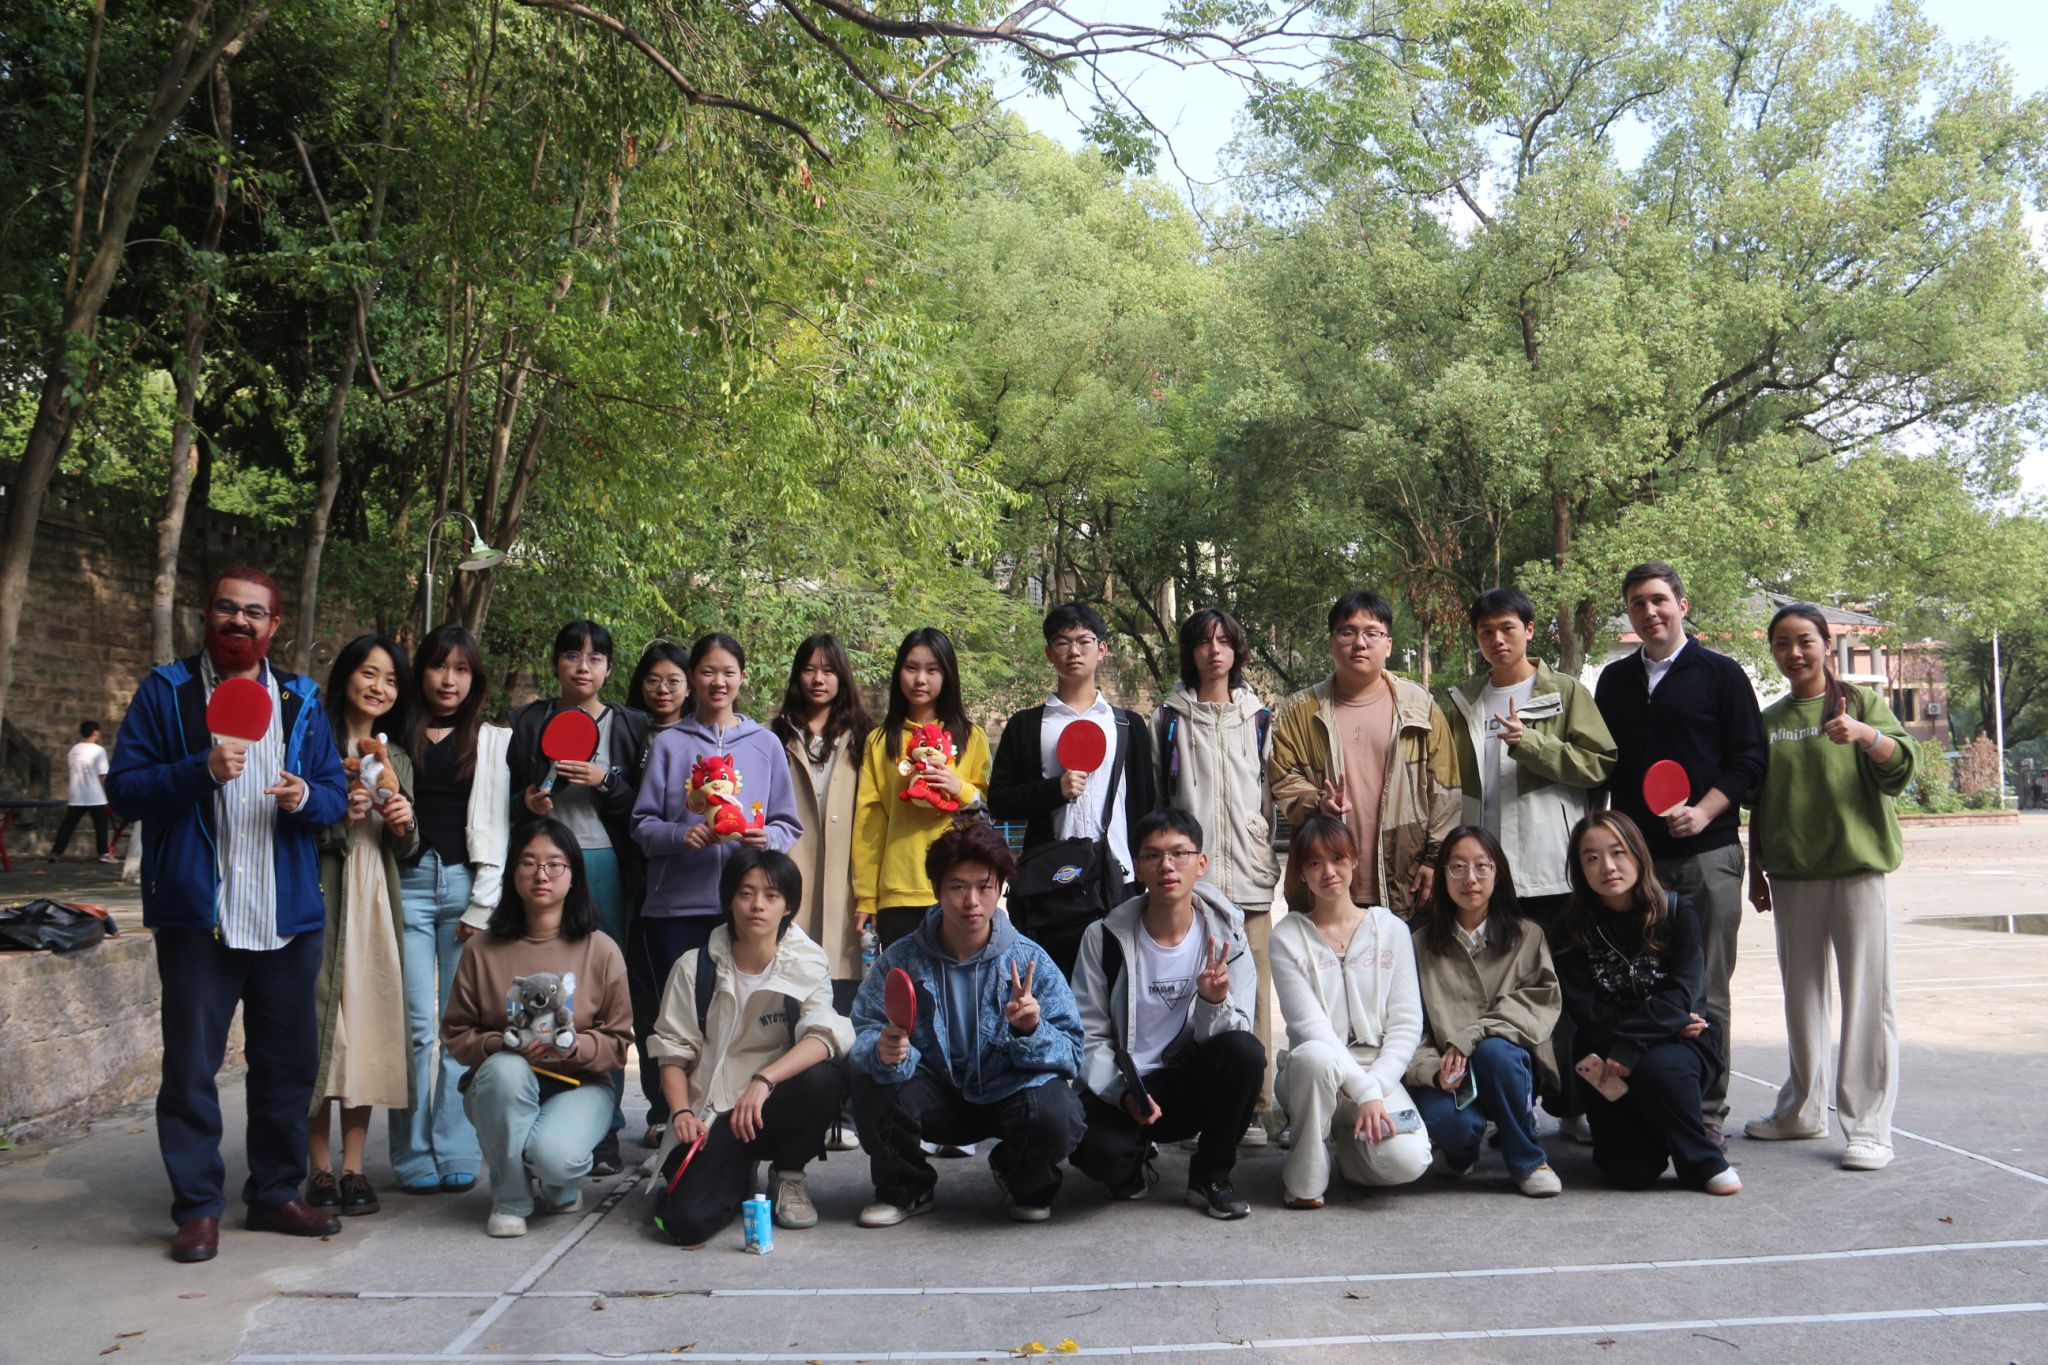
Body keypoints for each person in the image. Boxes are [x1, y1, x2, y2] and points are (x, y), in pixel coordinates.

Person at [105, 567, 351, 1263]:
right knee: (190, 1069)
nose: (239, 621)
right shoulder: (166, 692)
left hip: (286, 918)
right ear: (206, 615)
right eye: (227, 608)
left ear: (274, 626)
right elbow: (124, 790)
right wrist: (199, 770)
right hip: (198, 918)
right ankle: (196, 1209)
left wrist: (307, 797)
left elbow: (334, 795)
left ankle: (273, 1193)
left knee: (287, 1068)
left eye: (254, 612)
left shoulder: (301, 698)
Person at [1593, 562, 1766, 1144]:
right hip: (1633, 866)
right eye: (1637, 603)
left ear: (1682, 606)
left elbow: (1749, 758)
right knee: (1636, 986)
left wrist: (1706, 811)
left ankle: (1707, 1114)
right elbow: (1604, 767)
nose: (1649, 612)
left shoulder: (1721, 674)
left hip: (1707, 857)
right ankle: (1643, 1105)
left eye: (1658, 600)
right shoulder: (1614, 681)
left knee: (1705, 988)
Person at [1438, 587, 1614, 1142]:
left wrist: (1533, 744)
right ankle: (1512, 1106)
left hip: (1551, 869)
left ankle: (1573, 1106)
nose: (1497, 639)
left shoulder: (1564, 692)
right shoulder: (1462, 700)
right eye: (1486, 631)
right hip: (1486, 879)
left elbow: (1601, 764)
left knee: (1564, 992)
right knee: (1495, 996)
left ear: (1530, 631)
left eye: (1507, 628)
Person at [1744, 602, 1915, 1171]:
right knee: (1802, 1000)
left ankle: (1868, 1128)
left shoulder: (1860, 704)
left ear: (1824, 644)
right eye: (1782, 643)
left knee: (1867, 1000)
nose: (1794, 653)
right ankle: (1801, 1111)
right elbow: (1760, 804)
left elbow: (1902, 767)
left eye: (1804, 641)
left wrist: (1866, 736)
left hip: (1856, 873)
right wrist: (1757, 871)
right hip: (1793, 878)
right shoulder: (1769, 721)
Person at [848, 819, 1086, 1227]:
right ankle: (905, 1188)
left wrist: (1032, 1030)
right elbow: (864, 1028)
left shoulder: (1030, 959)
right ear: (937, 889)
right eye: (958, 887)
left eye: (984, 887)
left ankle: (1022, 1179)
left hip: (1008, 1091)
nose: (971, 901)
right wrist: (881, 1048)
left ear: (1000, 889)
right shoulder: (901, 958)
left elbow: (1073, 1051)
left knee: (1057, 1111)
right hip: (933, 1093)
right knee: (871, 1079)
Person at [633, 633, 802, 1145]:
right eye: (707, 671)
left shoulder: (765, 745)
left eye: (728, 672)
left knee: (739, 1016)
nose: (718, 682)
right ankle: (668, 1114)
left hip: (747, 906)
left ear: (742, 678)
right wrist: (679, 835)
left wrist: (766, 837)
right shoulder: (669, 744)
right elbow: (642, 825)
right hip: (676, 905)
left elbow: (788, 824)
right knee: (676, 1016)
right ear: (693, 679)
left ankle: (732, 1119)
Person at [646, 847, 852, 1245]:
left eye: (771, 895)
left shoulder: (807, 960)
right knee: (686, 1223)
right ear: (728, 900)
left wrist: (763, 1080)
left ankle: (788, 1174)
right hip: (713, 1113)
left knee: (824, 1075)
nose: (758, 905)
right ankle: (737, 1173)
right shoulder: (694, 967)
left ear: (788, 906)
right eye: (745, 893)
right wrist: (682, 1111)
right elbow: (672, 1051)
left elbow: (825, 1035)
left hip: (775, 1101)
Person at [442, 818, 634, 1238]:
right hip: (500, 1088)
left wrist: (574, 1046)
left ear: (573, 875)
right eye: (528, 863)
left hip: (580, 1085)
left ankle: (557, 1178)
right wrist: (502, 1044)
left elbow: (619, 1042)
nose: (541, 874)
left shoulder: (601, 949)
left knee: (555, 1158)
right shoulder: (482, 949)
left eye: (554, 864)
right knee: (506, 1070)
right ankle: (510, 1201)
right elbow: (456, 1033)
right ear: (513, 873)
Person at [1070, 809, 1264, 1219]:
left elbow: (1238, 1033)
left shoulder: (1228, 937)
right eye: (1153, 855)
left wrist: (1213, 1002)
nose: (1167, 866)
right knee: (1096, 1153)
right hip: (1125, 1086)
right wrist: (1123, 1093)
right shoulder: (1104, 937)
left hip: (1186, 1085)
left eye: (1179, 853)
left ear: (1201, 863)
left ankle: (1211, 1174)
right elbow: (1087, 1035)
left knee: (1246, 1052)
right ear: (1138, 866)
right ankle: (1132, 1156)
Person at [509, 619, 650, 1174]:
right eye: (572, 655)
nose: (583, 666)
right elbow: (507, 799)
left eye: (595, 658)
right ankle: (546, 1117)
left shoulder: (632, 725)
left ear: (609, 669)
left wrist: (606, 781)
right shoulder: (528, 721)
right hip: (546, 867)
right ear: (556, 664)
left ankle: (605, 1125)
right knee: (545, 991)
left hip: (607, 866)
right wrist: (529, 805)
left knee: (604, 996)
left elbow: (646, 805)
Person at [1553, 811, 1739, 1195]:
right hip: (1604, 1052)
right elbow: (1585, 1009)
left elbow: (1683, 996)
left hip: (1677, 1045)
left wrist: (1634, 1042)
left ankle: (1702, 1160)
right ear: (1579, 869)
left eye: (1618, 852)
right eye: (1592, 858)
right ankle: (1658, 1128)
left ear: (1638, 854)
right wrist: (1653, 1028)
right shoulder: (1570, 927)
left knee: (1659, 1068)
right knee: (1630, 1173)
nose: (1607, 866)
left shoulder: (1677, 912)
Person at [1151, 607, 1281, 1146]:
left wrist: (1257, 840)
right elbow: (1158, 798)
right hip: (1190, 883)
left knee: (1254, 997)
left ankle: (1254, 1109)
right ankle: (1193, 1108)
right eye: (1204, 641)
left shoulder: (1260, 717)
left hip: (1249, 877)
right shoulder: (1168, 719)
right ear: (1191, 651)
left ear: (1237, 650)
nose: (1214, 651)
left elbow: (1270, 797)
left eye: (1225, 641)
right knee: (1190, 996)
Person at [307, 635, 420, 1218]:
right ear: (346, 675)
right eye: (369, 674)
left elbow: (409, 847)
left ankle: (353, 1167)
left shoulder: (395, 756)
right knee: (322, 1031)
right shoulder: (313, 741)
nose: (379, 687)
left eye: (391, 680)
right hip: (323, 896)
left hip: (375, 894)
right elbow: (289, 822)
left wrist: (402, 821)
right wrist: (335, 816)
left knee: (369, 1028)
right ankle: (318, 1167)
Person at [1269, 815, 1430, 1209]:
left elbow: (1407, 1023)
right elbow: (1312, 1028)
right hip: (1313, 1075)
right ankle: (1305, 1179)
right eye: (1314, 863)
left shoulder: (1390, 928)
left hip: (1377, 1072)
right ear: (1301, 872)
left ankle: (1351, 1153)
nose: (1329, 872)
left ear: (1354, 860)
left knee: (1408, 1162)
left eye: (1338, 859)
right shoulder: (1287, 937)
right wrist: (1364, 1091)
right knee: (1317, 1057)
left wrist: (1374, 1087)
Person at [988, 603, 1158, 974]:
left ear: (1102, 649)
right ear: (1049, 653)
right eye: (1062, 642)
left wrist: (1145, 863)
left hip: (1118, 882)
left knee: (1119, 988)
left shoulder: (1128, 726)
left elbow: (1145, 804)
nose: (1074, 651)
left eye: (1084, 641)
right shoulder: (1026, 726)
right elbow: (998, 801)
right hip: (1050, 886)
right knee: (1053, 989)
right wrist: (1054, 790)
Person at [1268, 590, 1459, 920]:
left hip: (1407, 879)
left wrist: (1435, 858)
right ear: (1331, 643)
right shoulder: (1301, 710)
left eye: (1372, 633)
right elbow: (1282, 779)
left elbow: (1446, 789)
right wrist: (1317, 802)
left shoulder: (1419, 706)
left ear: (1388, 645)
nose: (1360, 643)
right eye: (1348, 632)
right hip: (1324, 885)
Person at [402, 624, 510, 1194]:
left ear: (475, 679)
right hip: (405, 886)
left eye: (462, 669)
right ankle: (412, 1152)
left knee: (458, 1027)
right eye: (440, 666)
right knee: (415, 1029)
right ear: (421, 671)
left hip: (466, 889)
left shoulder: (491, 740)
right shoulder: (396, 732)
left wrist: (483, 902)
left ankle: (455, 1146)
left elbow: (498, 823)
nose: (450, 680)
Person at [1405, 827, 1564, 1197]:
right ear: (1442, 875)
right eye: (1457, 867)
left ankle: (1527, 1160)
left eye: (1482, 866)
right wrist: (1432, 1071)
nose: (1470, 878)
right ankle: (1461, 1154)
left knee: (1496, 1052)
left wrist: (1470, 1036)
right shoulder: (1419, 944)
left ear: (1498, 873)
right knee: (1450, 1125)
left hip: (1507, 1066)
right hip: (1446, 1071)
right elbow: (1409, 1024)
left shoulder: (1527, 936)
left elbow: (1539, 1003)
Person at [853, 628, 990, 950]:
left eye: (932, 670)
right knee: (905, 981)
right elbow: (869, 823)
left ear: (948, 675)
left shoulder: (972, 737)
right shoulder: (879, 742)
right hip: (898, 890)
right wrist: (867, 896)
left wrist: (959, 788)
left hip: (960, 887)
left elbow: (987, 811)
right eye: (911, 668)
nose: (920, 679)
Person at [49, 720, 115, 861]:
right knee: (101, 825)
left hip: (76, 795)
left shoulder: (73, 750)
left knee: (67, 825)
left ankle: (55, 852)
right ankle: (103, 853)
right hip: (95, 796)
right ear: (95, 732)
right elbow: (103, 775)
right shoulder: (99, 750)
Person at [628, 640, 691, 737]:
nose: (663, 690)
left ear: (689, 688)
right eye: (653, 681)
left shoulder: (701, 737)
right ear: (640, 686)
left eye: (673, 681)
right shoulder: (625, 734)